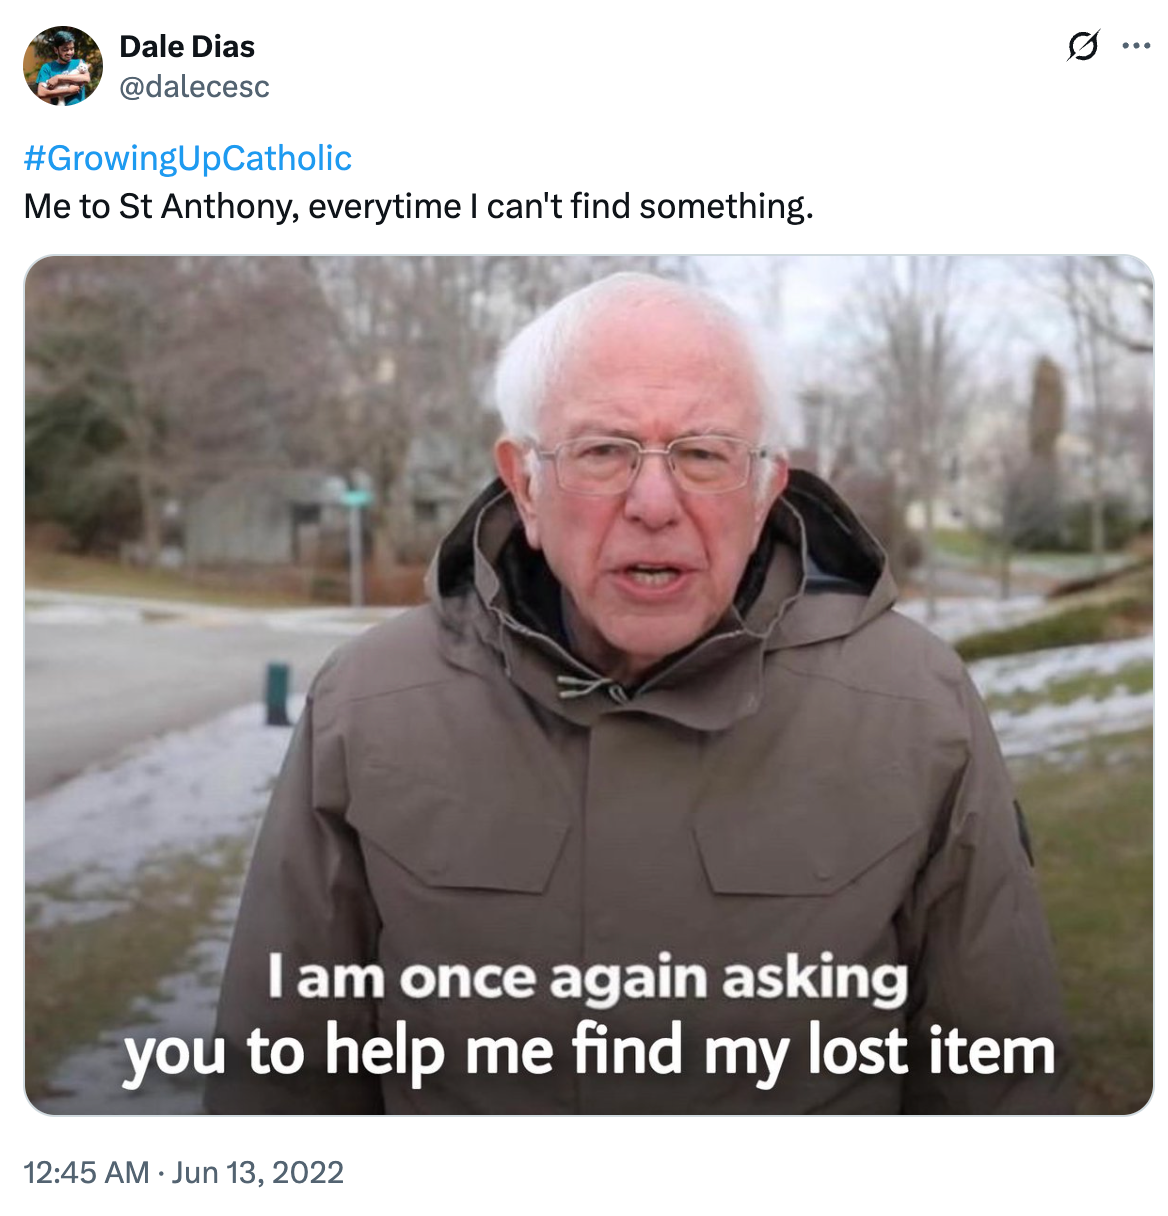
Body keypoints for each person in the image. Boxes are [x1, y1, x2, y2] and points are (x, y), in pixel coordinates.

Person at [207, 273, 1072, 1114]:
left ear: (766, 488)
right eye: (603, 451)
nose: (653, 503)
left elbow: (1001, 1089)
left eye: (702, 454)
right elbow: (280, 1086)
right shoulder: (369, 706)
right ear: (524, 484)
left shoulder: (914, 709)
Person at [36, 31, 90, 106]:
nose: (70, 52)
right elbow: (41, 93)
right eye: (65, 49)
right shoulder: (47, 67)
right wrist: (68, 91)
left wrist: (59, 78)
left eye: (72, 49)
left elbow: (86, 79)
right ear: (56, 50)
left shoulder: (79, 63)